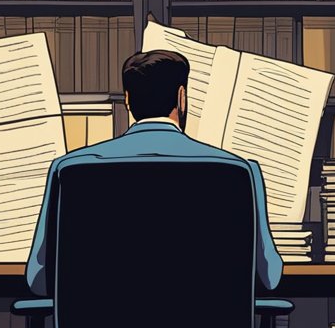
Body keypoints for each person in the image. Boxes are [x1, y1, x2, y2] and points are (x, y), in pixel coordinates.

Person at [25, 49, 283, 297]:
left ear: (127, 99)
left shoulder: (69, 169)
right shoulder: (240, 172)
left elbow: (38, 279)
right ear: (181, 97)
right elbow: (270, 277)